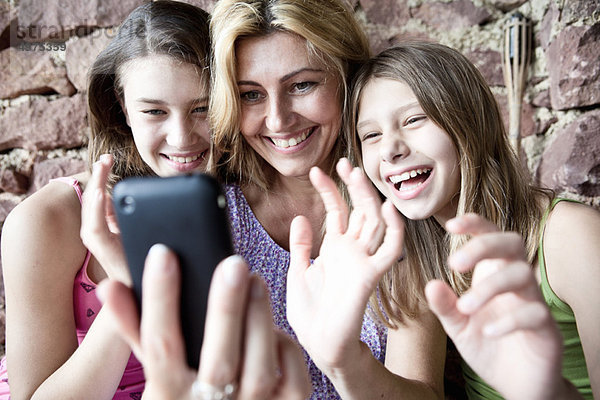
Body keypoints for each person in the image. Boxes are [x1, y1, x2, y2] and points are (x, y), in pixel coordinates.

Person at [205, 1, 447, 398]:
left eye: (301, 85)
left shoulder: (398, 199)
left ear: (345, 77)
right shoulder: (215, 214)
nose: (278, 120)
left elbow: (424, 392)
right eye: (250, 95)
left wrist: (344, 360)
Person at [338, 42, 598, 399]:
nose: (389, 149)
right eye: (371, 135)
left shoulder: (571, 234)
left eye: (414, 119)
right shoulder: (419, 252)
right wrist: (343, 359)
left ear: (469, 122)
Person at [0, 2, 212, 398]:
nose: (183, 137)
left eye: (203, 108)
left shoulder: (236, 196)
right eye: (154, 111)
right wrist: (128, 290)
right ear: (121, 107)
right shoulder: (47, 221)